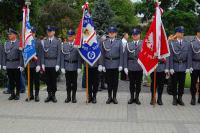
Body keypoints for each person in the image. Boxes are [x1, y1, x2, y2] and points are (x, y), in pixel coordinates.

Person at [169, 26, 190, 106]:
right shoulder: (172, 43)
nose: (182, 34)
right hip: (174, 65)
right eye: (180, 32)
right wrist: (170, 67)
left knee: (182, 83)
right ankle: (174, 98)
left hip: (183, 66)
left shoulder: (186, 43)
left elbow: (188, 56)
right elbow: (170, 56)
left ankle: (180, 98)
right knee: (174, 83)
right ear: (176, 33)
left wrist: (188, 67)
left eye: (182, 32)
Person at [101, 26, 123, 104]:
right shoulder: (104, 42)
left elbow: (121, 54)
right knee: (109, 82)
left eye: (113, 33)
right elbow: (102, 54)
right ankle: (109, 97)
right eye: (110, 33)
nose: (111, 34)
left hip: (116, 64)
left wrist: (121, 65)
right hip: (107, 64)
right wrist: (102, 65)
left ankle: (114, 97)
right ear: (108, 33)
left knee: (115, 82)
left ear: (116, 34)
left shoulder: (119, 42)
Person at [41, 25, 61, 103]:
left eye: (50, 31)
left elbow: (59, 53)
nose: (48, 33)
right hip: (46, 63)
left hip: (54, 63)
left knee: (53, 80)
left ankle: (53, 95)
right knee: (47, 80)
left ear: (54, 32)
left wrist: (58, 64)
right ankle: (49, 95)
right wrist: (42, 63)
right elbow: (42, 53)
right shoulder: (44, 41)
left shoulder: (57, 41)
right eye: (48, 31)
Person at [2, 28, 24, 100]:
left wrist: (21, 65)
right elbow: (4, 55)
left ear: (14, 35)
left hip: (16, 64)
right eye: (8, 34)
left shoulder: (19, 43)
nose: (9, 35)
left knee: (17, 80)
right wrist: (4, 64)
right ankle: (12, 94)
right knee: (11, 80)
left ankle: (17, 94)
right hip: (9, 64)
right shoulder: (6, 43)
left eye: (10, 34)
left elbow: (21, 55)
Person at [61, 29, 81, 103]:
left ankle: (74, 97)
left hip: (75, 66)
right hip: (67, 66)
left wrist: (79, 67)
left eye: (71, 36)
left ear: (74, 36)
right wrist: (62, 67)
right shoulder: (64, 45)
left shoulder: (77, 45)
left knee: (74, 83)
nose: (70, 37)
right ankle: (68, 97)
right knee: (68, 83)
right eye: (69, 36)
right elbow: (62, 56)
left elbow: (79, 57)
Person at [123, 28, 143, 105]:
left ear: (139, 35)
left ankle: (137, 98)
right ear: (132, 36)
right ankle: (132, 97)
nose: (135, 36)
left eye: (136, 35)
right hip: (130, 66)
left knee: (138, 84)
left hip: (139, 66)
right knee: (131, 84)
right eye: (133, 35)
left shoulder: (143, 44)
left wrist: (145, 67)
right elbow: (125, 56)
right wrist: (125, 67)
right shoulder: (128, 44)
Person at [25, 27, 42, 102]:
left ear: (35, 33)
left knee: (36, 81)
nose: (31, 34)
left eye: (33, 32)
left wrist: (39, 65)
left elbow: (40, 54)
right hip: (28, 64)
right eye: (30, 32)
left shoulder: (38, 42)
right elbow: (24, 53)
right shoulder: (26, 42)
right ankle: (30, 94)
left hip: (35, 64)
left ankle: (36, 95)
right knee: (29, 81)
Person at [189, 26, 200, 105]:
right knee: (193, 82)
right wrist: (190, 66)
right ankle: (193, 97)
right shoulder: (192, 43)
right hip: (194, 64)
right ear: (197, 33)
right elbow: (189, 55)